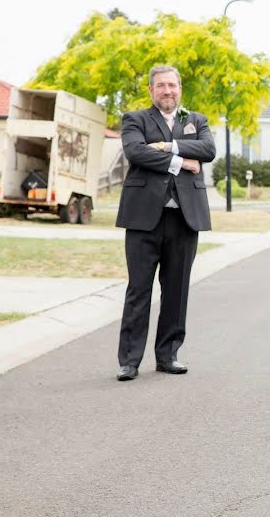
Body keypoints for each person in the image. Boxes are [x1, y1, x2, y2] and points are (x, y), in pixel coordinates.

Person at [115, 65, 215, 381]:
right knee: (138, 290)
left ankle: (168, 355)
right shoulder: (135, 120)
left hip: (185, 219)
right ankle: (129, 361)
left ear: (180, 88)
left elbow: (209, 150)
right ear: (151, 90)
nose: (167, 91)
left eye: (172, 85)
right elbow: (135, 152)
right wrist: (181, 162)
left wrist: (167, 146)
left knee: (176, 290)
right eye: (161, 86)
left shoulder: (196, 120)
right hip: (144, 219)